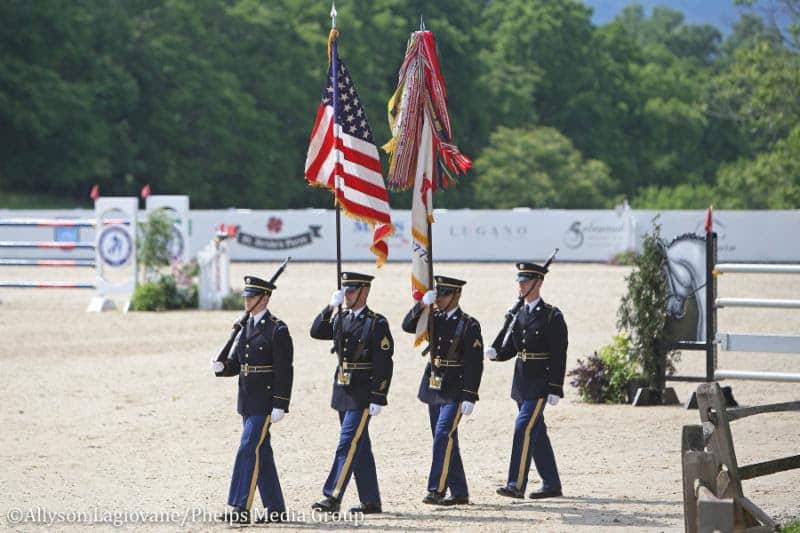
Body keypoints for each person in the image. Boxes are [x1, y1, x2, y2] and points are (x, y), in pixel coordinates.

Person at [309, 272, 394, 515]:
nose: (347, 295)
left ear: (364, 292)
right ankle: (371, 501)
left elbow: (384, 362)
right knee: (360, 446)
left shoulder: (376, 323)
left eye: (351, 291)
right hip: (343, 390)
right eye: (345, 291)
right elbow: (316, 331)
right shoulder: (340, 318)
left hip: (363, 393)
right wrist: (329, 307)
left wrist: (379, 395)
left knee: (347, 443)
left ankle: (333, 496)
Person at [211, 275, 293, 524]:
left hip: (266, 400)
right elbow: (237, 363)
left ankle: (240, 505)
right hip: (247, 398)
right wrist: (222, 367)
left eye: (252, 297)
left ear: (265, 298)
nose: (247, 301)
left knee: (247, 447)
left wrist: (280, 403)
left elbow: (285, 369)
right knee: (261, 453)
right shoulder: (245, 327)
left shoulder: (277, 329)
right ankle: (276, 509)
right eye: (245, 296)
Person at [486, 262, 568, 500]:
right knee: (536, 432)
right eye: (519, 281)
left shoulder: (552, 315)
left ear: (538, 283)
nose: (520, 285)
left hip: (541, 384)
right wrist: (497, 354)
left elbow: (559, 353)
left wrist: (555, 387)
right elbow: (514, 347)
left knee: (523, 427)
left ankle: (515, 484)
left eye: (525, 281)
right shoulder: (519, 313)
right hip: (521, 383)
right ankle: (551, 484)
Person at [401, 276, 483, 506]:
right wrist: (421, 306)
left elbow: (475, 364)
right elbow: (407, 326)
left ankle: (436, 489)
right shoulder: (432, 317)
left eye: (444, 295)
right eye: (438, 294)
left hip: (456, 389)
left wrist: (470, 395)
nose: (440, 299)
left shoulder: (469, 325)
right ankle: (459, 492)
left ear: (456, 296)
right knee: (446, 440)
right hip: (434, 386)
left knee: (442, 435)